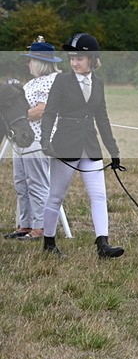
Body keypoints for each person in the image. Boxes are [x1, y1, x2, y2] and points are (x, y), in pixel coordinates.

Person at [39, 32, 124, 259]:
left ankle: (103, 244)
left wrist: (113, 150)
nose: (74, 62)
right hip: (65, 145)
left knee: (98, 195)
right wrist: (44, 140)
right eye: (72, 58)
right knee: (56, 196)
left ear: (93, 59)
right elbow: (50, 113)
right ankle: (48, 243)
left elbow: (102, 118)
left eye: (80, 58)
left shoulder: (98, 83)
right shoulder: (61, 81)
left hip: (90, 145)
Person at [3, 37, 62, 242]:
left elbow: (41, 110)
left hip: (39, 137)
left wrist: (15, 116)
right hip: (22, 137)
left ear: (39, 62)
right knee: (21, 183)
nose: (28, 64)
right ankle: (25, 224)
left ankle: (40, 227)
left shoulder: (54, 81)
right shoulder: (31, 83)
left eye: (30, 60)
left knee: (37, 182)